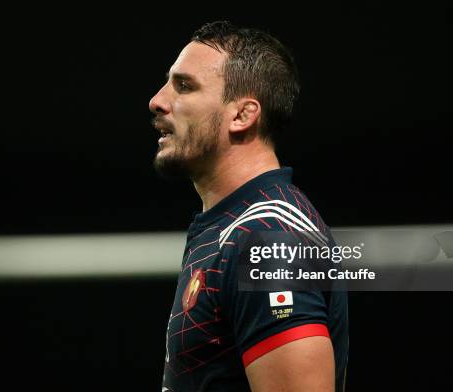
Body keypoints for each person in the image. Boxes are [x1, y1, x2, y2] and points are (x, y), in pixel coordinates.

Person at [149, 21, 348, 392]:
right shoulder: (233, 228)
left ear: (243, 115)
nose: (157, 100)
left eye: (184, 86)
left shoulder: (268, 239)